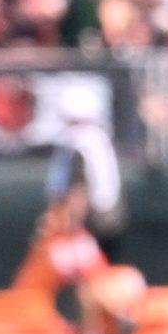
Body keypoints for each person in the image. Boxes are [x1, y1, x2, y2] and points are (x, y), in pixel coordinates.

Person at [45, 82, 127, 263]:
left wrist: (72, 226)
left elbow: (79, 188)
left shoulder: (79, 142)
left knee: (90, 278)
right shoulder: (98, 138)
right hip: (110, 218)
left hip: (93, 221)